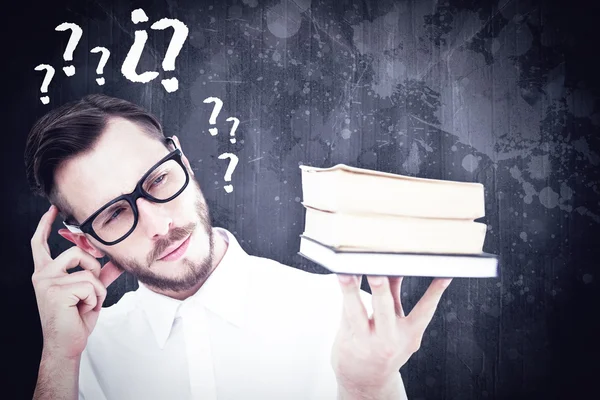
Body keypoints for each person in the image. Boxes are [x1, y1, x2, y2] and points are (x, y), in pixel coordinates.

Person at [25, 94, 452, 400]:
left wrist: (367, 390)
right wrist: (59, 362)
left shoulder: (343, 318)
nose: (160, 225)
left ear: (185, 164)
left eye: (158, 180)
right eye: (114, 214)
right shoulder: (80, 359)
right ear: (84, 240)